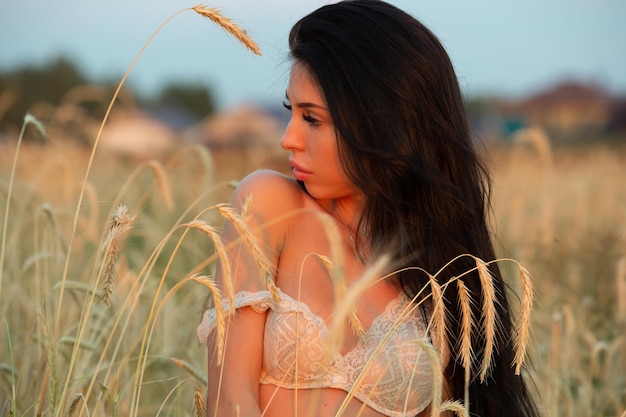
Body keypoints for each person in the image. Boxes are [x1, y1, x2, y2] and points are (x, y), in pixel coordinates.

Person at [197, 1, 540, 416]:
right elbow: (229, 398)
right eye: (292, 111)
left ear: (382, 123)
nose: (288, 138)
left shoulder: (445, 267)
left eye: (312, 119)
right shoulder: (269, 205)